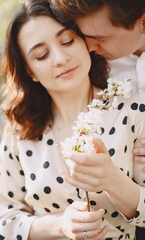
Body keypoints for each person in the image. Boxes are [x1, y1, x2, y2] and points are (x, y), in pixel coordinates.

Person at [0, 0, 145, 240]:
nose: (60, 58)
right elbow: (4, 222)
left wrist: (113, 181)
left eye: (67, 41)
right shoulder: (20, 131)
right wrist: (60, 225)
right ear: (30, 71)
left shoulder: (135, 112)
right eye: (41, 56)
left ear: (86, 43)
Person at [52, 0, 145, 166]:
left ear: (143, 22)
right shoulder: (85, 65)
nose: (88, 47)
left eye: (99, 38)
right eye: (85, 36)